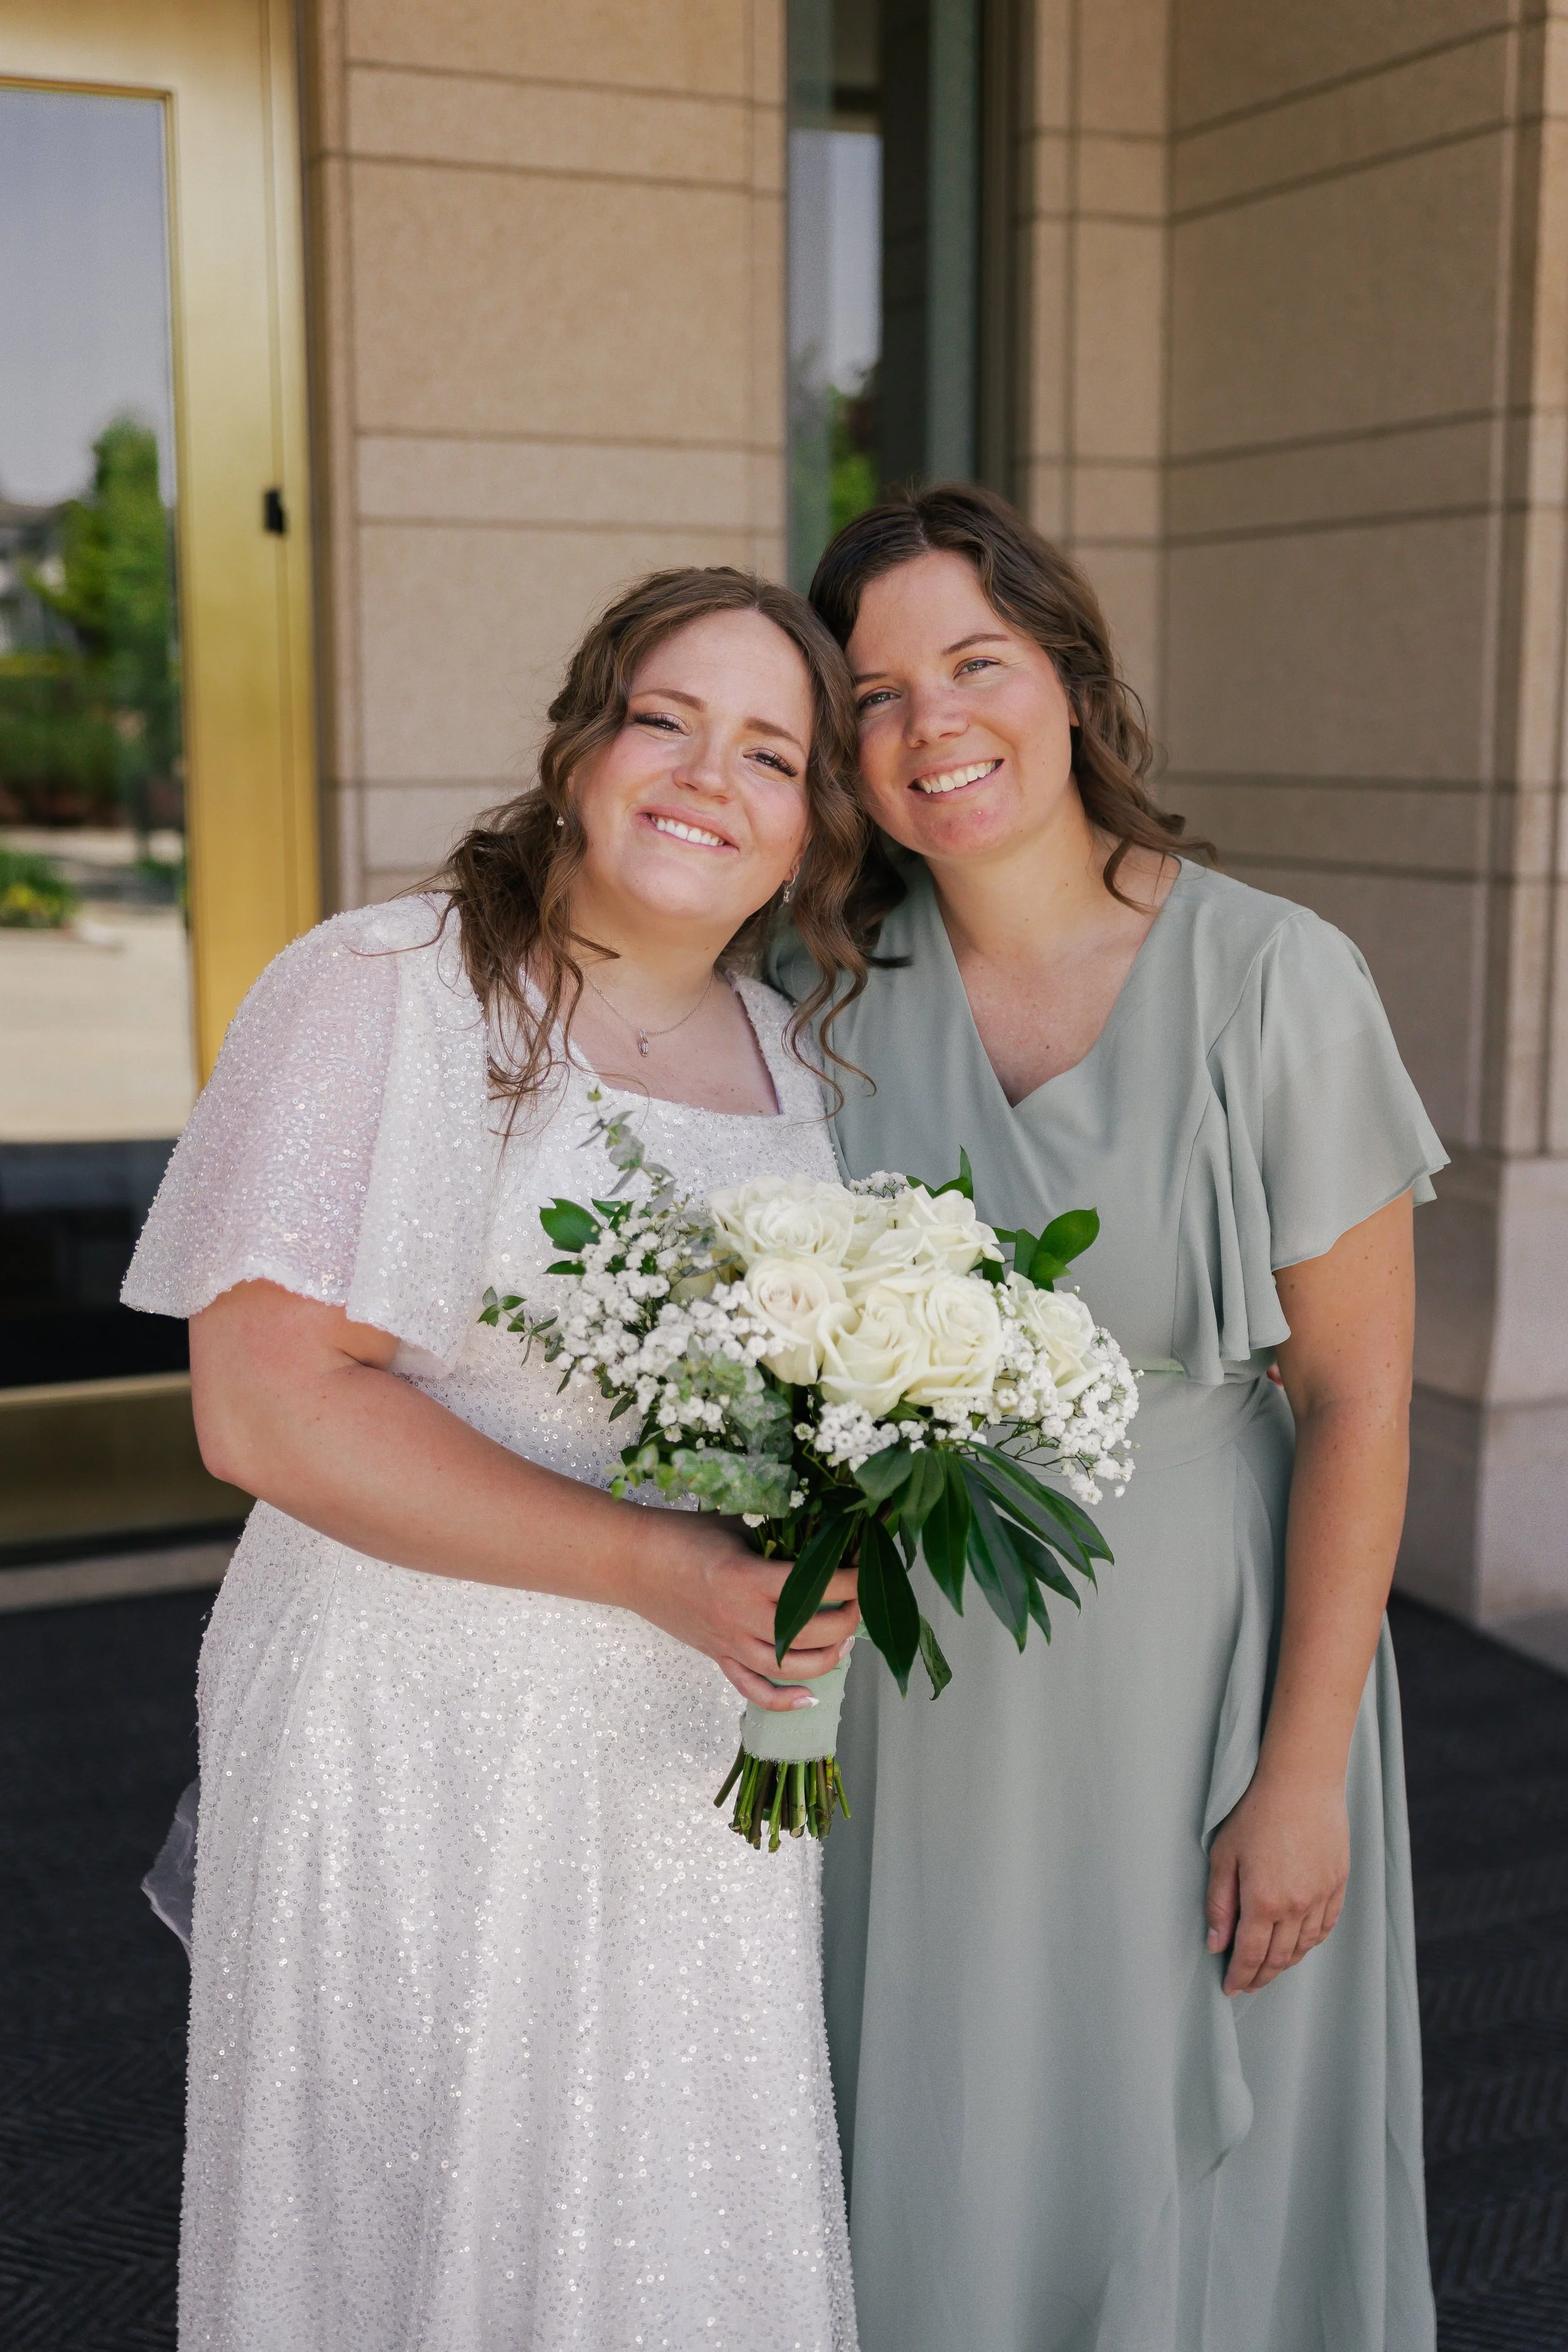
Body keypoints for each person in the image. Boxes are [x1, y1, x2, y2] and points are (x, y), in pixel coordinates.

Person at [123, 567, 871, 2352]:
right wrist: (669, 1568)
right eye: (665, 718)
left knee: (659, 2203)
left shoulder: (783, 1052)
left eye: (771, 752)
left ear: (809, 834)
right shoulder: (384, 984)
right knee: (410, 2196)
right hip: (410, 1716)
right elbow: (267, 1405)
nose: (709, 773)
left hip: (682, 1734)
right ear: (579, 747)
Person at [771, 484, 1444, 2352]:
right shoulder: (817, 991)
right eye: (875, 699)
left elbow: (1360, 1394)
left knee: (1187, 2158)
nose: (931, 729)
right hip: (906, 1702)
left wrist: (1299, 1772)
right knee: (924, 2128)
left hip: (1198, 1678)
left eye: (973, 663)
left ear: (1068, 678)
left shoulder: (1272, 977)